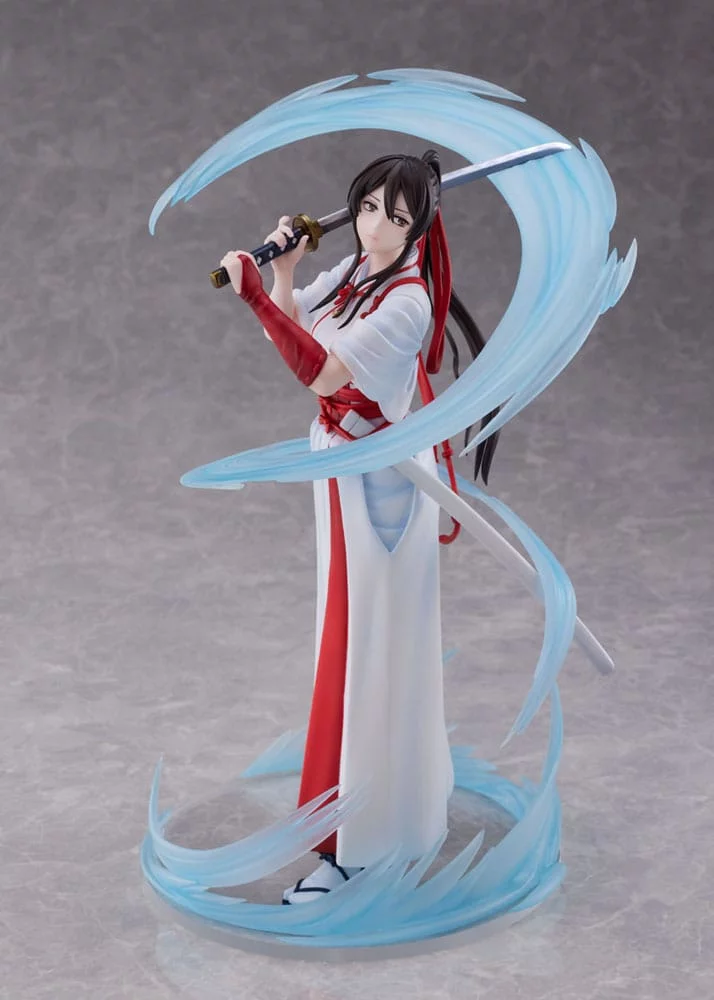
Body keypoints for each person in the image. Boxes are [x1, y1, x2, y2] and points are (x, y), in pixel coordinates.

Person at [220, 150, 495, 905]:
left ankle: (365, 845)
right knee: (345, 645)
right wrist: (283, 274)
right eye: (368, 207)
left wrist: (256, 296)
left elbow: (320, 372)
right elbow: (296, 327)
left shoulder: (407, 302)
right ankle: (365, 829)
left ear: (418, 228)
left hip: (385, 487)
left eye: (395, 217)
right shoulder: (355, 271)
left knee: (369, 652)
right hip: (347, 471)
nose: (373, 226)